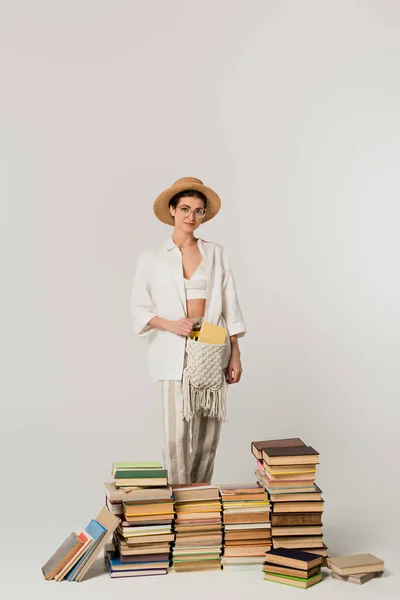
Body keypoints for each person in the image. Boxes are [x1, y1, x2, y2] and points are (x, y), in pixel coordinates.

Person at [130, 176, 246, 484]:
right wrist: (172, 324)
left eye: (198, 211)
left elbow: (230, 305)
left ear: (204, 215)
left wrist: (235, 354)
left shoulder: (216, 253)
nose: (191, 217)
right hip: (171, 350)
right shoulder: (152, 259)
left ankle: (199, 499)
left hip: (211, 347)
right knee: (176, 434)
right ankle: (180, 500)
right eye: (184, 208)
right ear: (172, 210)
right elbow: (140, 310)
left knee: (208, 433)